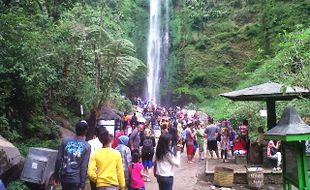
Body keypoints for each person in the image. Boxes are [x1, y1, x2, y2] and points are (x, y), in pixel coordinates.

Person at [54, 120, 91, 190]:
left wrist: (56, 176)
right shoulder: (87, 146)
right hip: (76, 179)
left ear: (75, 129)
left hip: (64, 177)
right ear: (85, 131)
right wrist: (82, 184)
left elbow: (58, 159)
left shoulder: (65, 141)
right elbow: (84, 166)